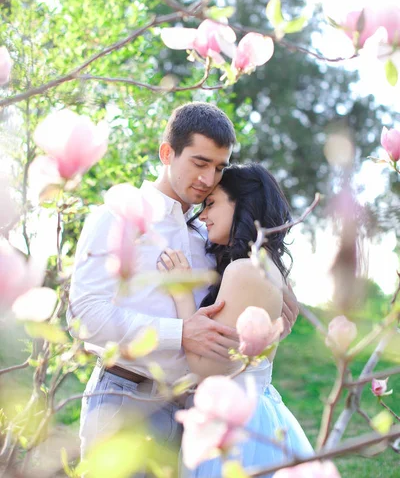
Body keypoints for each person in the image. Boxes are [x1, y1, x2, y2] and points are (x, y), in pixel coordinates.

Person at [67, 102, 299, 472]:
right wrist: (179, 333)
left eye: (219, 167)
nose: (209, 178)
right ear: (167, 153)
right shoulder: (120, 215)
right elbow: (84, 315)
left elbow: (247, 290)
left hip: (194, 410)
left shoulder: (206, 232)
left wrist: (279, 304)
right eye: (200, 162)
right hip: (127, 397)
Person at [157, 163, 313, 476]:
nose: (202, 215)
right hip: (255, 415)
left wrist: (182, 293)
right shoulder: (265, 267)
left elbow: (209, 368)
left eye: (211, 203)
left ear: (241, 204)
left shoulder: (243, 271)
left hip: (238, 425)